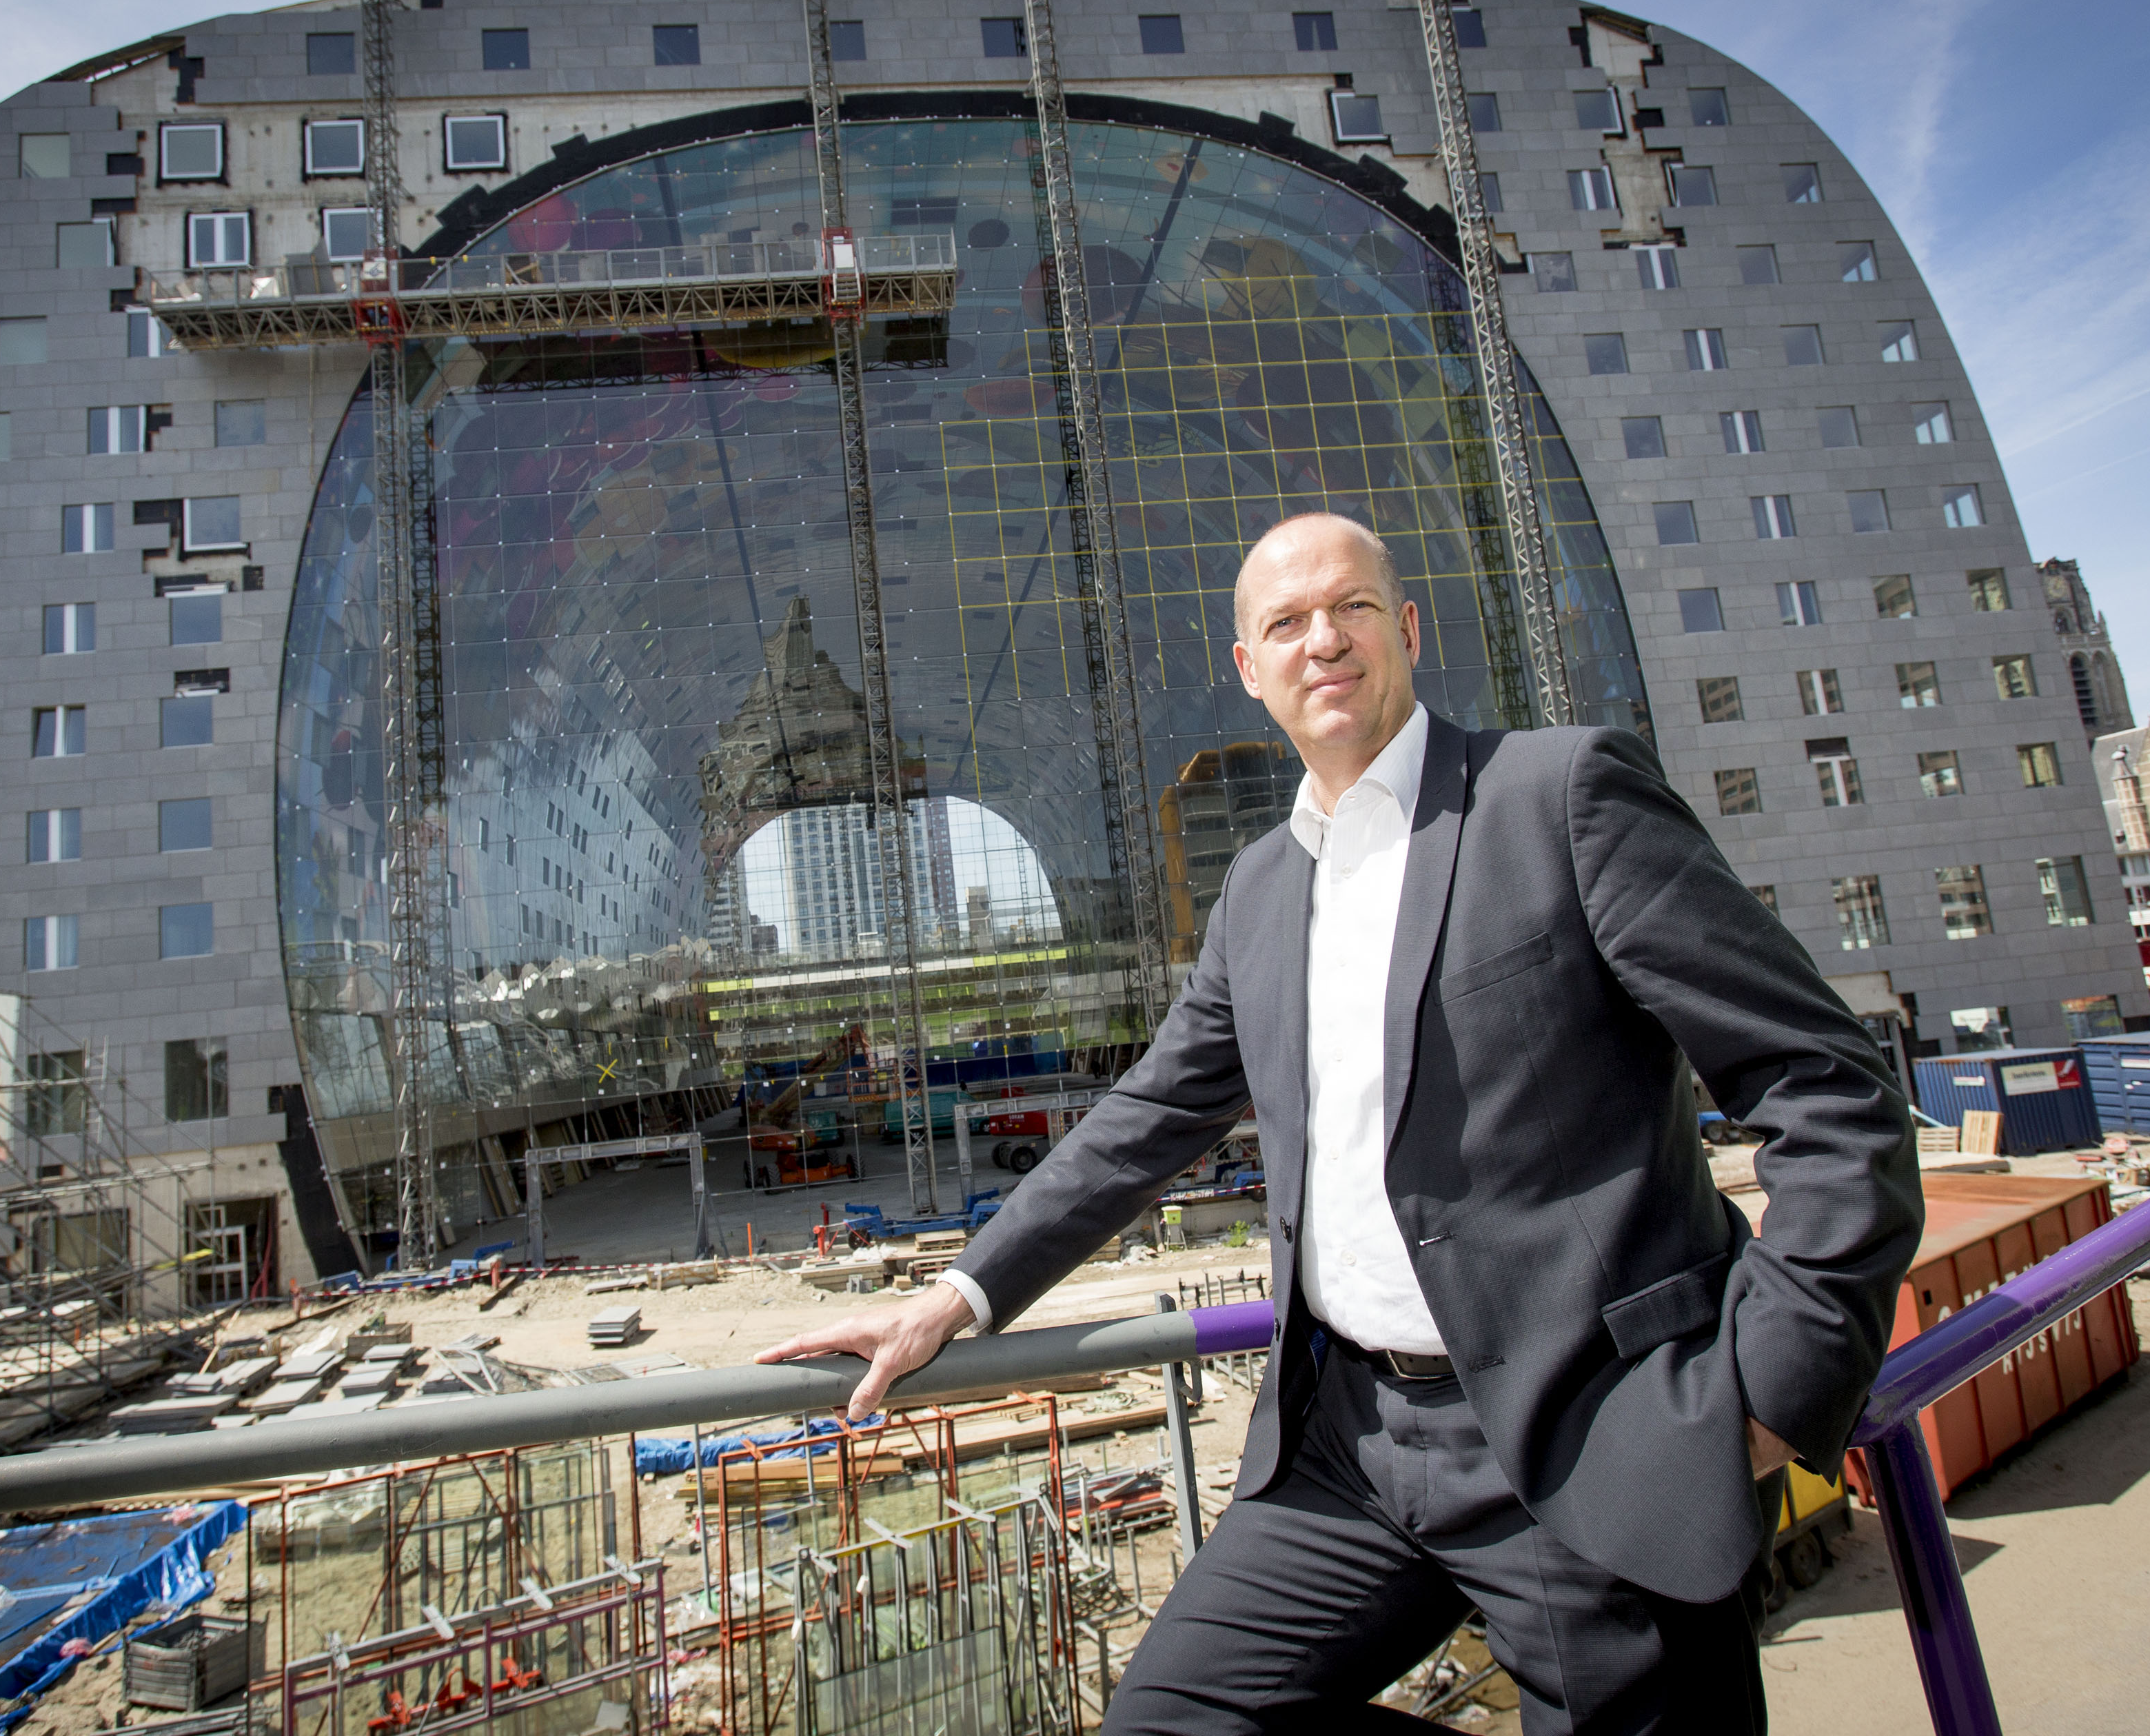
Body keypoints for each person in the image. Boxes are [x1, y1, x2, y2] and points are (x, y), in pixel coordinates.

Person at [758, 512, 1921, 1732]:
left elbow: (1828, 1086)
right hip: (1350, 1450)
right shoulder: (1262, 888)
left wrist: (1782, 1387)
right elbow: (1148, 1114)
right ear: (1250, 670)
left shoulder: (1561, 796)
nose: (1324, 640)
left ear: (1406, 630)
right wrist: (960, 1293)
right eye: (1286, 623)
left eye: (1352, 608)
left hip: (1595, 1437)